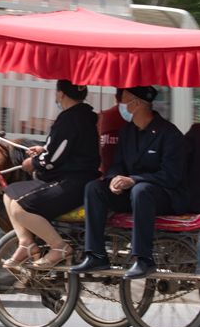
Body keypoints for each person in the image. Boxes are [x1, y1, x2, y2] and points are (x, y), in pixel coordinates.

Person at [71, 86, 190, 280]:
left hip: (164, 195)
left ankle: (143, 259)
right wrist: (114, 180)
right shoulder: (128, 132)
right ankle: (96, 254)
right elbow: (118, 164)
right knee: (94, 188)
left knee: (141, 190)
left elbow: (171, 176)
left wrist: (134, 180)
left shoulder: (169, 134)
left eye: (124, 102)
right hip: (134, 193)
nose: (121, 107)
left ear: (136, 104)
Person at [0, 79, 101, 270]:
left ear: (61, 94)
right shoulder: (83, 116)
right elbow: (63, 148)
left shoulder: (70, 119)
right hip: (75, 180)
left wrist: (33, 163)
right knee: (8, 193)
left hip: (72, 183)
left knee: (19, 207)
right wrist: (43, 149)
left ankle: (59, 247)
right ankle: (26, 244)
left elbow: (52, 160)